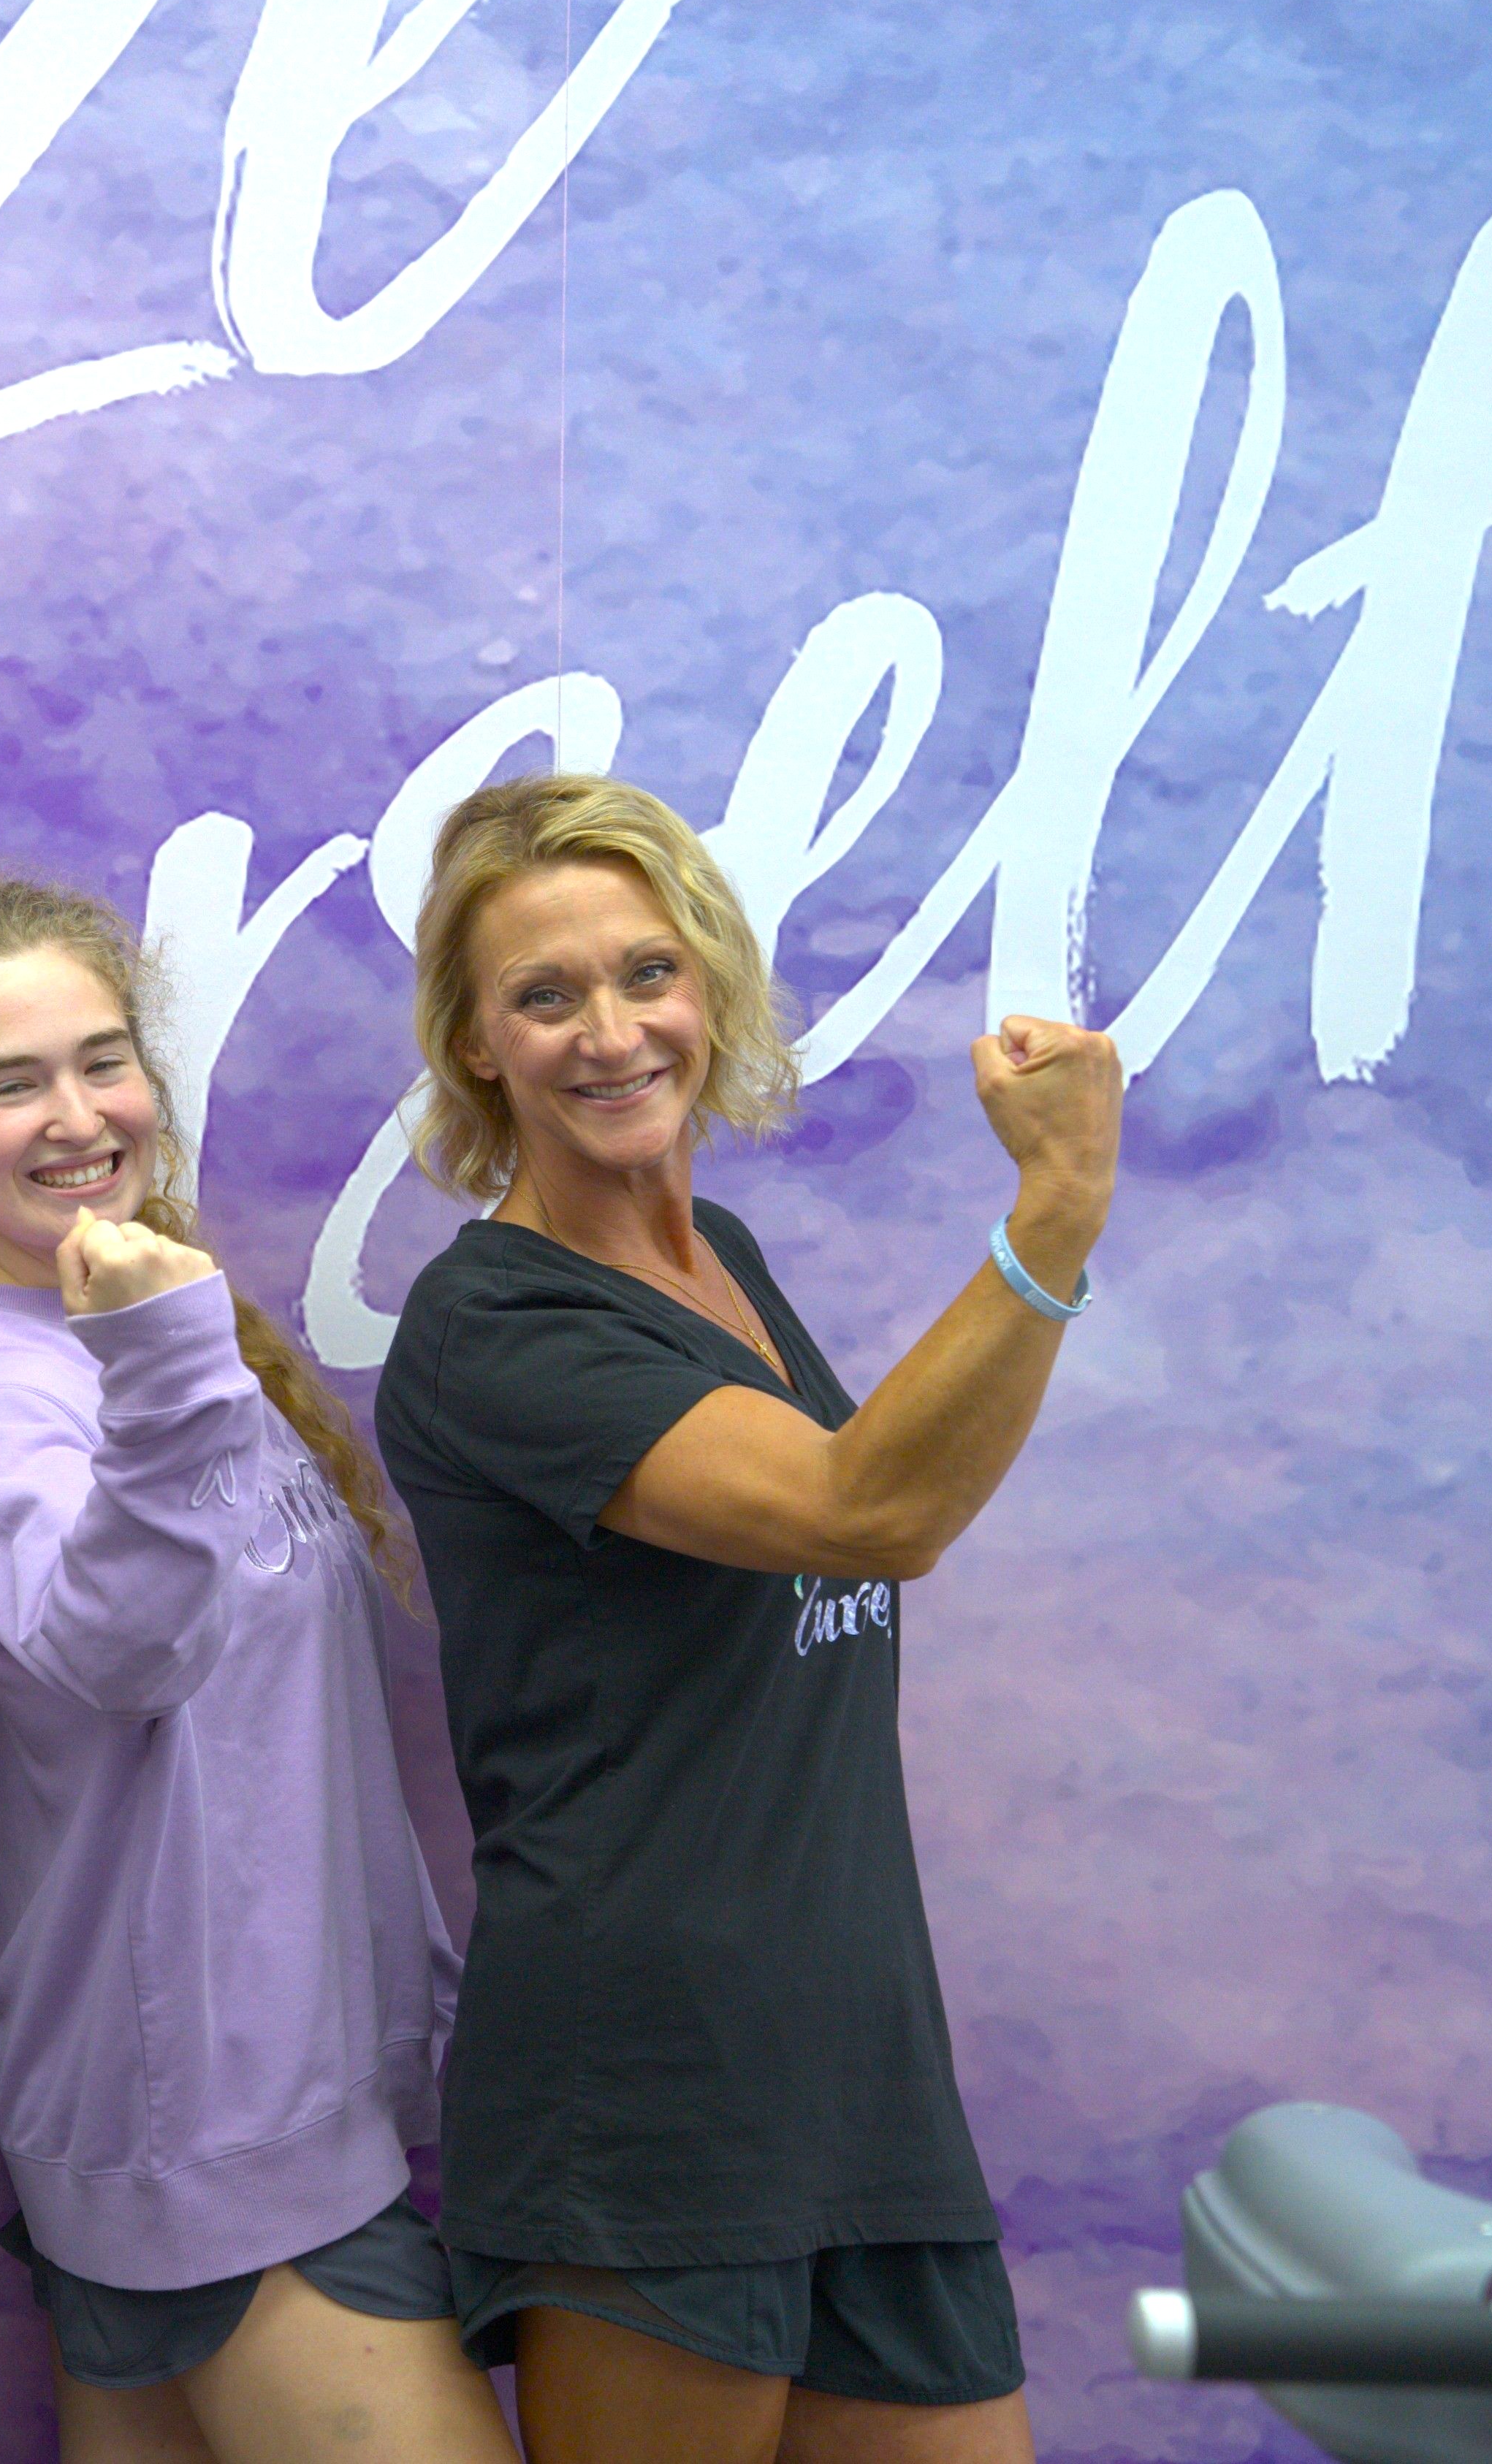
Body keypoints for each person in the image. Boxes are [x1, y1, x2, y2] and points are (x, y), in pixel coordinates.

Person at [370, 774, 1123, 2464]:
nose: (611, 1030)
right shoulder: (492, 1328)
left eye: (647, 972)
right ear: (476, 1043)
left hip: (860, 2067)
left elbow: (866, 1496)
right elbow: (874, 1509)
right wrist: (1056, 1207)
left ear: (707, 984)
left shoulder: (720, 1254)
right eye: (544, 996)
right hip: (649, 2096)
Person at [0, 874, 514, 2464]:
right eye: (12, 1080)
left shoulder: (123, 1320)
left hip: (247, 2114)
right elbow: (113, 1651)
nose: (76, 1114)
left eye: (102, 1059)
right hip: (214, 2148)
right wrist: (173, 1368)